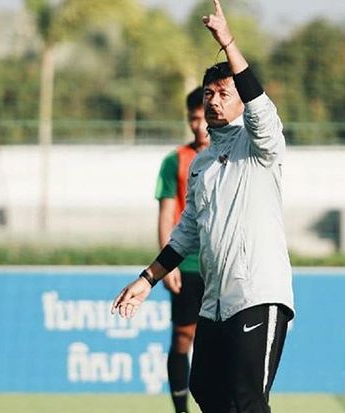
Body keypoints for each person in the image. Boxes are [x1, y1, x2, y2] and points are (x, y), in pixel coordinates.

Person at [112, 1, 294, 412]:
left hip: (258, 294)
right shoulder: (202, 163)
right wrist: (147, 279)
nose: (213, 100)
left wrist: (227, 42)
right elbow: (186, 232)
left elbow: (262, 110)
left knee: (248, 401)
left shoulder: (260, 147)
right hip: (215, 301)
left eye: (223, 93)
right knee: (207, 391)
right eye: (208, 93)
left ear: (241, 101)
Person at [155, 87, 209, 413]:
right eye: (193, 118)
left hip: (220, 264)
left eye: (202, 118)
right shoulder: (175, 160)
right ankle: (181, 410)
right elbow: (165, 215)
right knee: (182, 339)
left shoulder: (231, 155)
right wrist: (166, 265)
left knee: (219, 342)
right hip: (186, 265)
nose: (198, 125)